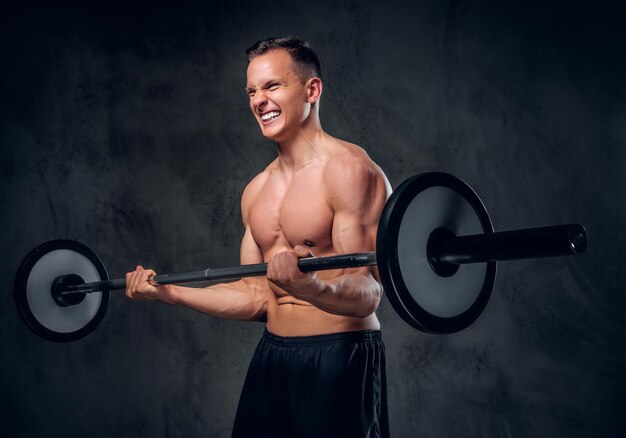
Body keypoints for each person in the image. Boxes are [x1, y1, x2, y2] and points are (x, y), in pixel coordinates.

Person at [125, 36, 392, 438]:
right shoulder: (256, 191)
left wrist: (309, 285)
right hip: (273, 356)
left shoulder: (350, 171)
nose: (258, 100)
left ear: (312, 90)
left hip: (339, 356)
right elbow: (255, 296)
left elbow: (369, 293)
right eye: (251, 90)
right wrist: (168, 293)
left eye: (272, 86)